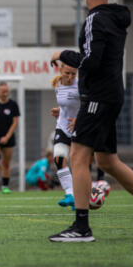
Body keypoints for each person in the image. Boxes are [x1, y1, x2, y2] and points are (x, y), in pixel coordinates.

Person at [49, 0, 133, 242]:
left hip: (98, 97)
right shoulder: (116, 18)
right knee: (107, 160)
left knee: (78, 158)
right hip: (111, 94)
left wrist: (63, 54)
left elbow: (91, 61)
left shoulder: (95, 19)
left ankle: (81, 227)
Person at [50, 63, 80, 209]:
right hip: (62, 126)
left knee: (77, 163)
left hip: (79, 128)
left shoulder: (81, 86)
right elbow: (65, 106)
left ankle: (79, 197)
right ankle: (70, 194)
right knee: (59, 158)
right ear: (60, 70)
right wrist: (59, 111)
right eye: (67, 73)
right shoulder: (57, 84)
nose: (70, 77)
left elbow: (90, 106)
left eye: (73, 74)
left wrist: (78, 119)